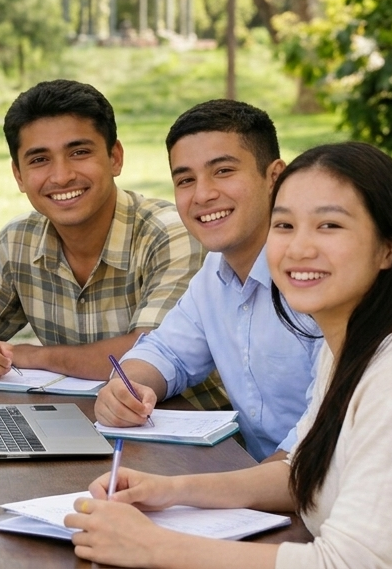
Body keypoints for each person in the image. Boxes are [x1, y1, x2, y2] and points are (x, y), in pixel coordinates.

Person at [66, 142, 392, 569]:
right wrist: (167, 490)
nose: (299, 248)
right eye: (284, 226)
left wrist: (154, 547)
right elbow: (301, 473)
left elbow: (352, 564)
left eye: (330, 225)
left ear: (388, 248)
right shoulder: (350, 343)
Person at [0, 80, 220, 399]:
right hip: (84, 423)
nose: (61, 176)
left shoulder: (168, 233)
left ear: (115, 157)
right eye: (39, 160)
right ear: (18, 175)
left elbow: (150, 351)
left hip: (189, 428)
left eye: (79, 152)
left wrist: (31, 356)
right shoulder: (19, 240)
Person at [94, 100, 321, 461]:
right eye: (185, 180)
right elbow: (167, 352)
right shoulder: (215, 274)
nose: (202, 195)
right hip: (262, 484)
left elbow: (320, 438)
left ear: (275, 177)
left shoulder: (317, 278)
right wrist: (126, 387)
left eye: (223, 171)